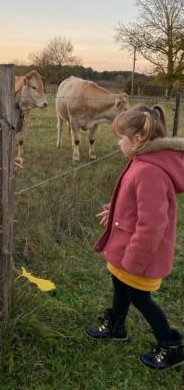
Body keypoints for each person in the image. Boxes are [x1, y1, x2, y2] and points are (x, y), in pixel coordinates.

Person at [86, 104, 184, 371]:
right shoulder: (140, 163)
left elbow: (151, 225)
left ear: (138, 139)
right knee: (119, 286)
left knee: (140, 298)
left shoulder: (149, 171)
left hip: (137, 255)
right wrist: (115, 211)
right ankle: (116, 326)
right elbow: (135, 204)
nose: (118, 143)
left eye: (121, 138)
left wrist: (135, 261)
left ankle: (171, 344)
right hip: (124, 249)